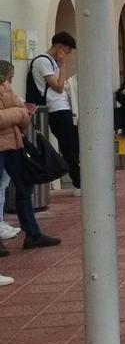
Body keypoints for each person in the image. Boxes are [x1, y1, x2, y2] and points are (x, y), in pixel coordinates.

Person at [0, 60, 61, 252]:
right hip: (4, 145)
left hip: (14, 144)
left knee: (25, 186)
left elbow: (24, 113)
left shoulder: (5, 86)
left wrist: (15, 113)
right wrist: (17, 113)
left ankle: (33, 233)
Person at [28, 32, 80, 196]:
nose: (68, 53)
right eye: (68, 49)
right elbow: (58, 86)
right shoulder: (43, 61)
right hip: (55, 108)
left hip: (62, 107)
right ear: (60, 47)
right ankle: (78, 182)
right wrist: (63, 65)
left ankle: (78, 180)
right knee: (68, 147)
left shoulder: (52, 62)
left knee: (73, 145)